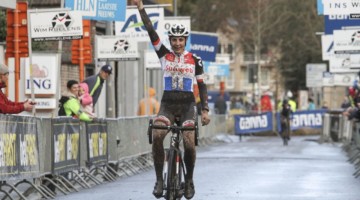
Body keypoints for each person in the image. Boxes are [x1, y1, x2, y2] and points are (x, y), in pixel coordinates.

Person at [133, 0, 211, 198]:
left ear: (185, 41)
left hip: (187, 106)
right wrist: (141, 8)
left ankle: (190, 180)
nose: (177, 43)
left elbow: (201, 85)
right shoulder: (164, 55)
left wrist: (205, 110)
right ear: (170, 40)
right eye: (174, 39)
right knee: (157, 135)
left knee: (189, 141)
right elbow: (151, 31)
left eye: (180, 40)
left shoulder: (195, 59)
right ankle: (159, 180)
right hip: (167, 105)